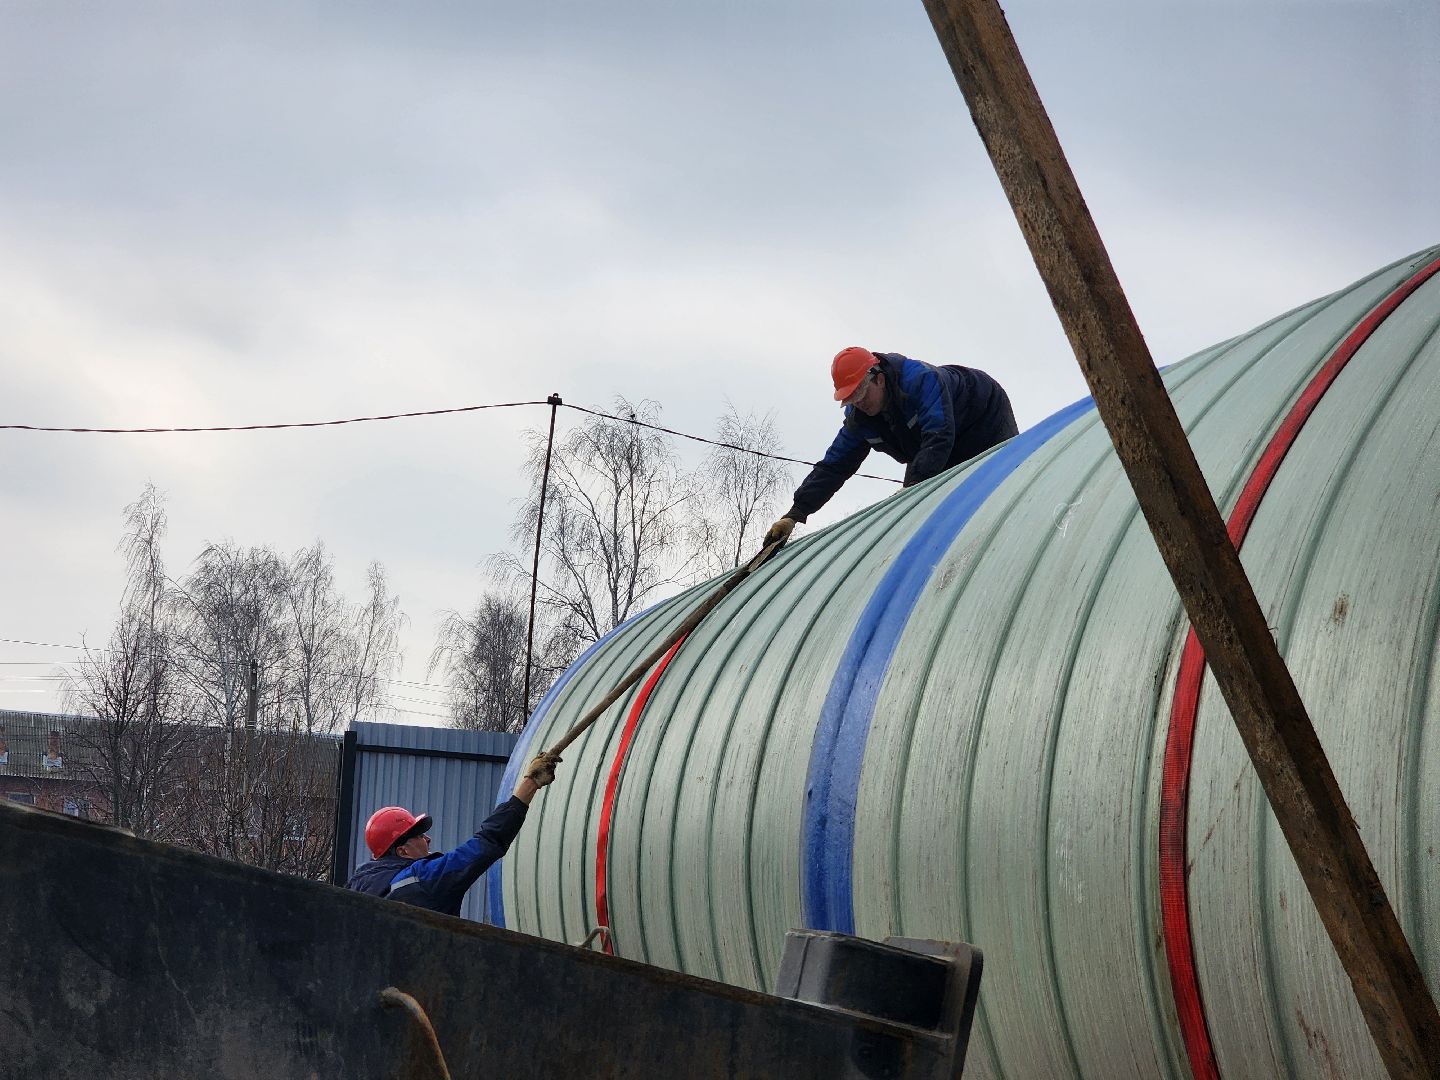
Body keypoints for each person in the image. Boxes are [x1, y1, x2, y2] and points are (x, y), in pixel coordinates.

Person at [765, 347, 1017, 544]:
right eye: (852, 398)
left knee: (995, 490)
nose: (859, 402)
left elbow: (938, 434)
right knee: (921, 509)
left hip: (984, 418)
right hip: (934, 446)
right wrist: (796, 513)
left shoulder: (920, 381)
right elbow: (834, 466)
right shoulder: (860, 418)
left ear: (879, 380)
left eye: (862, 393)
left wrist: (915, 485)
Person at [346, 750, 560, 916]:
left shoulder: (356, 887)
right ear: (402, 851)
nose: (428, 839)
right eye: (419, 835)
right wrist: (530, 784)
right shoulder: (421, 879)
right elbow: (486, 843)